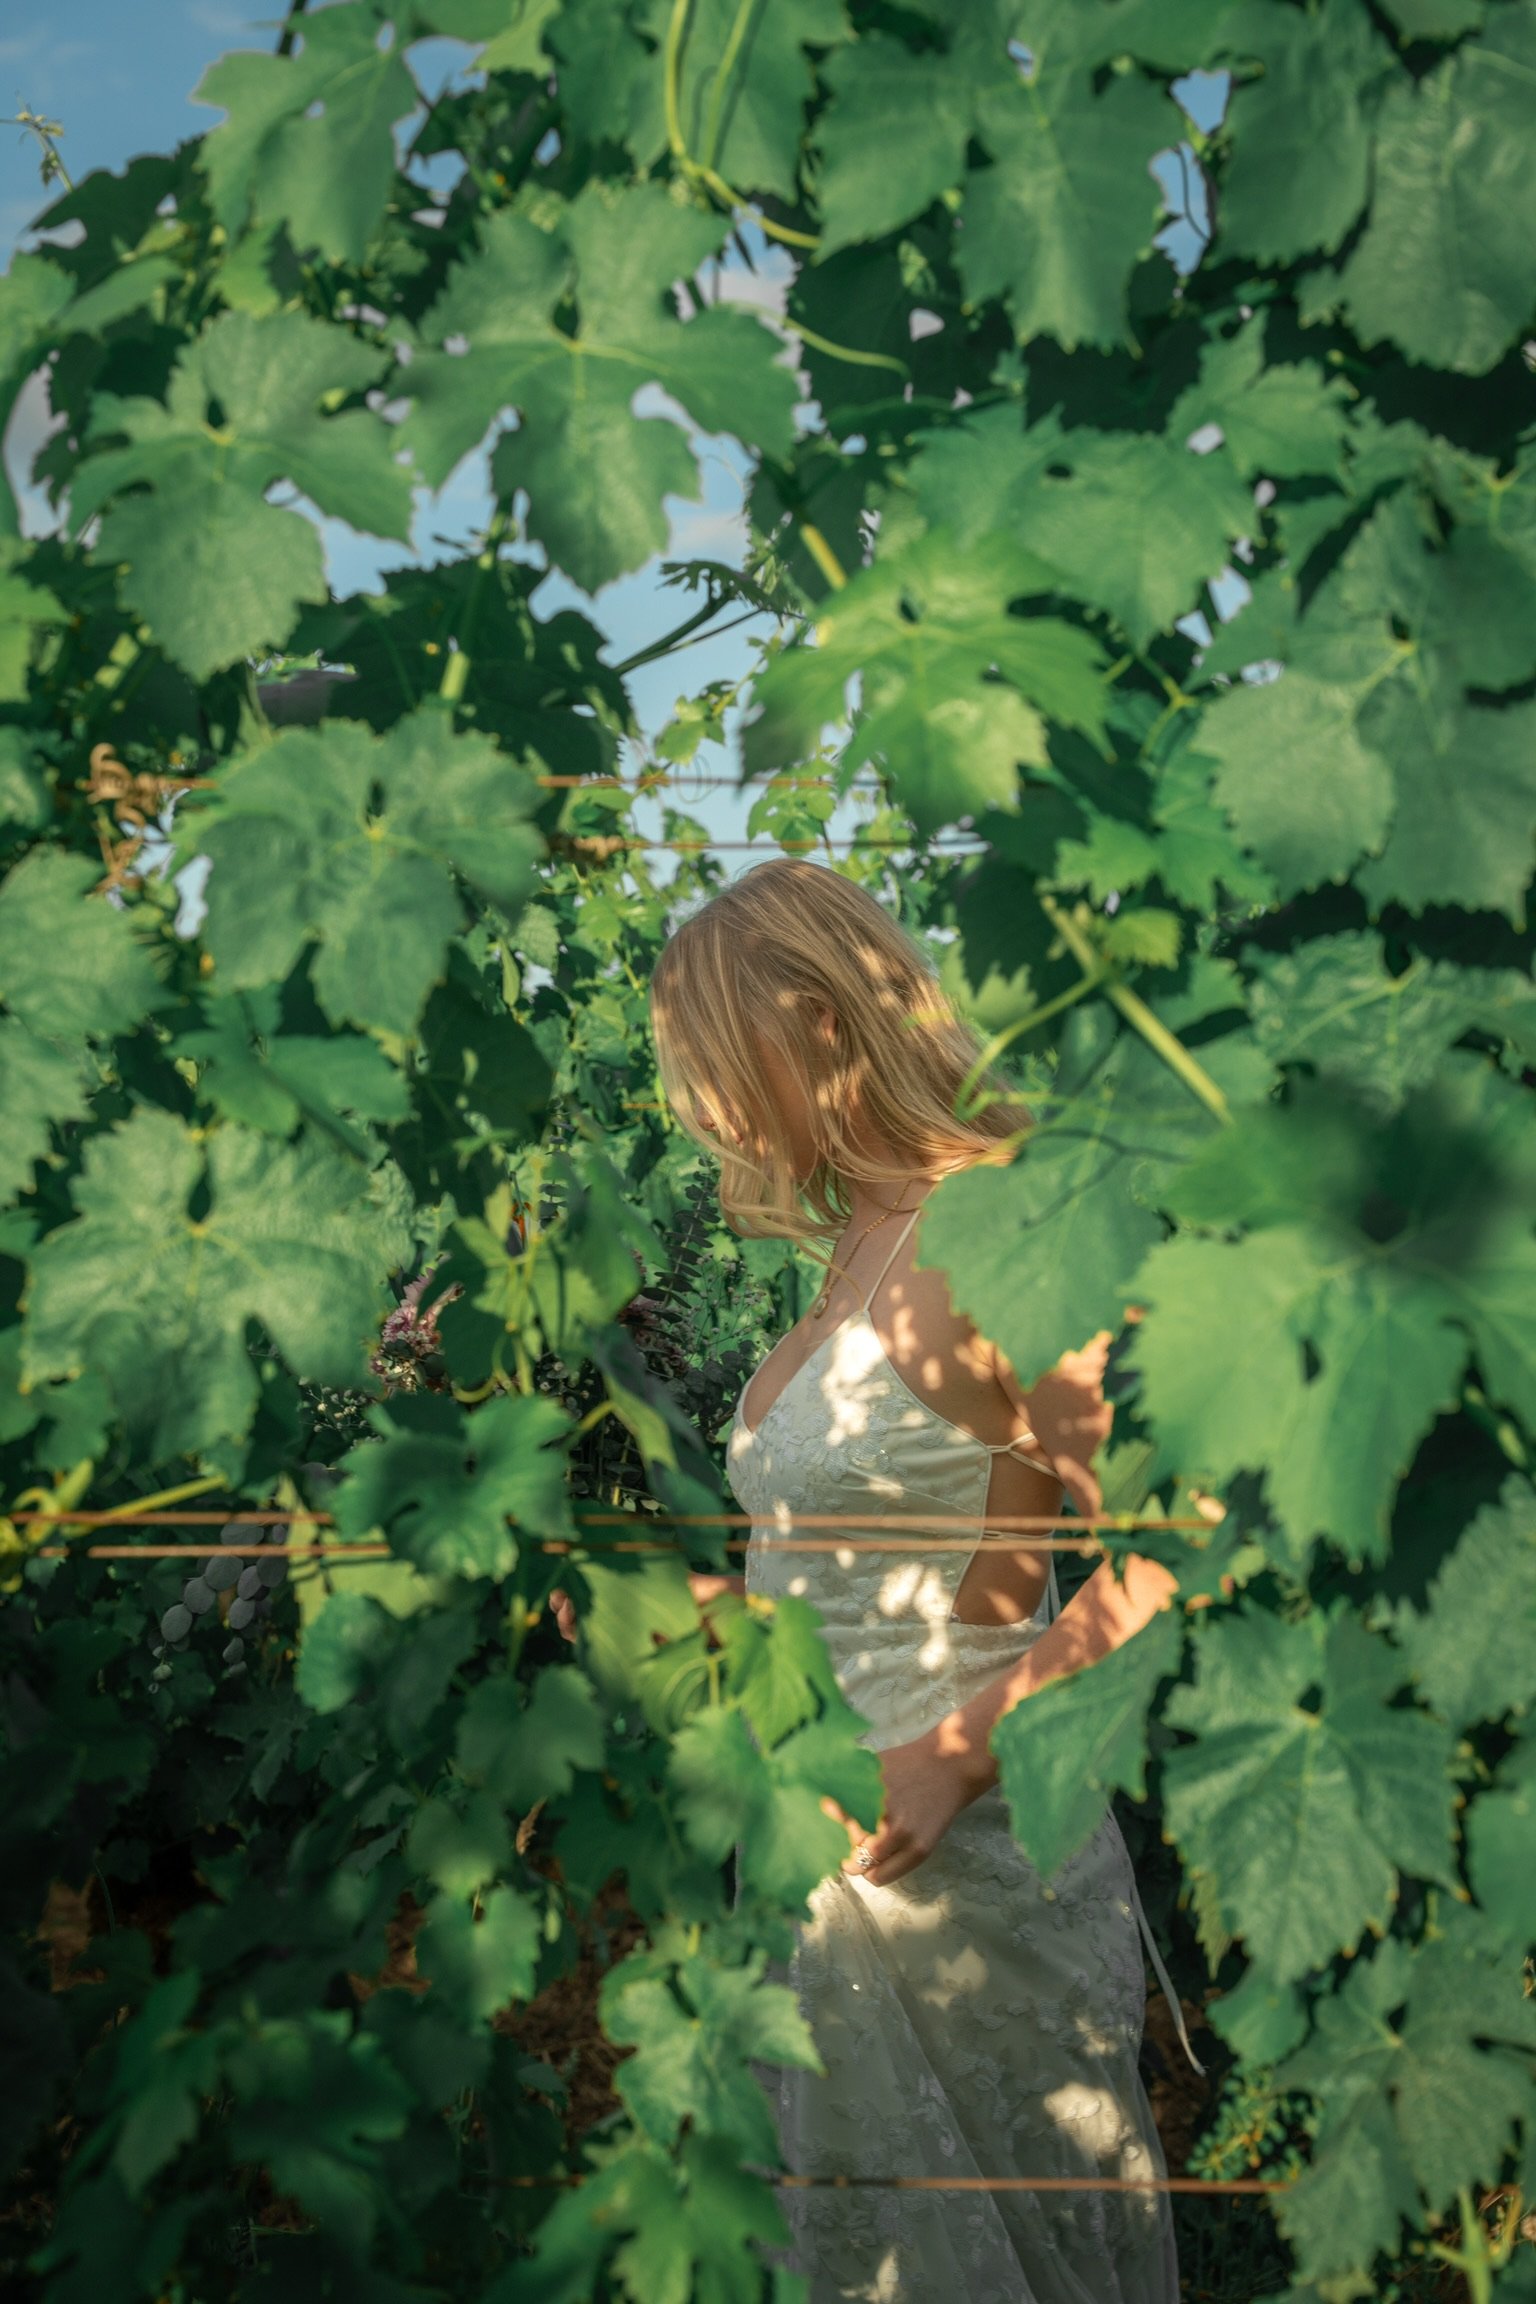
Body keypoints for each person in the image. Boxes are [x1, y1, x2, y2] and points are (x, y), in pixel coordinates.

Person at [560, 857, 1197, 2302]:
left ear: (820, 1023)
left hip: (963, 1873)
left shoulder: (1003, 1227)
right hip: (822, 1848)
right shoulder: (862, 1239)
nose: (704, 1110)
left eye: (717, 1065)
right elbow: (865, 1564)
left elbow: (1173, 1544)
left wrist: (954, 1759)